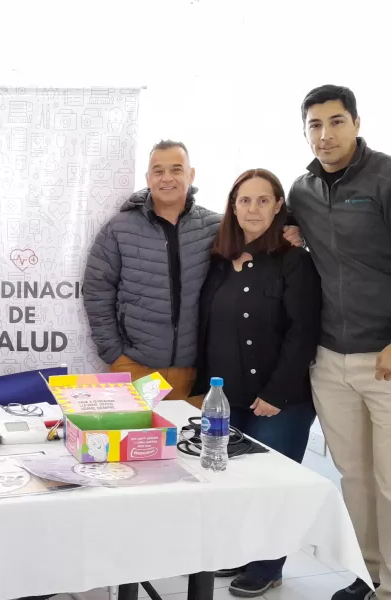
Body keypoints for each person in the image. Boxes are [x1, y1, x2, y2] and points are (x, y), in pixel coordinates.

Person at [193, 168, 321, 597]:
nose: (252, 209)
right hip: (228, 399)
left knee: (273, 485)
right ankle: (242, 553)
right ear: (232, 206)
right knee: (236, 482)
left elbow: (303, 332)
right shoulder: (218, 261)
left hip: (279, 400)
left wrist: (276, 393)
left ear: (278, 206)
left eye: (263, 200)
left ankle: (268, 565)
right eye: (244, 200)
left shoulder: (294, 261)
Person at [287, 84, 391, 600]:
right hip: (330, 357)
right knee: (353, 476)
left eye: (335, 122)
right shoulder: (301, 191)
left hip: (386, 357)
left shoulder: (386, 177)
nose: (324, 135)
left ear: (355, 122)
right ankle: (366, 572)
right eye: (314, 125)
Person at [83, 140, 221, 403]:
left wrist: (292, 230)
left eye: (176, 170)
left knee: (186, 443)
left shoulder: (216, 227)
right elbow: (96, 289)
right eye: (158, 171)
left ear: (191, 175)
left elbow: (260, 234)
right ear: (148, 178)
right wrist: (114, 353)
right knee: (133, 444)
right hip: (135, 368)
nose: (167, 178)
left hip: (197, 374)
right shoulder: (119, 229)